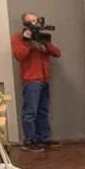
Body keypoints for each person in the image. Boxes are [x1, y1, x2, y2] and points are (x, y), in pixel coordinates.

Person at [11, 11, 62, 152]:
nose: (34, 23)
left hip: (44, 79)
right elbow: (19, 56)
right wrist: (28, 42)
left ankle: (43, 138)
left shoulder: (42, 36)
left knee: (43, 111)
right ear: (24, 24)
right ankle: (29, 140)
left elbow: (57, 53)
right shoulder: (18, 38)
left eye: (35, 20)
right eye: (30, 21)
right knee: (30, 112)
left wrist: (45, 43)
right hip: (31, 80)